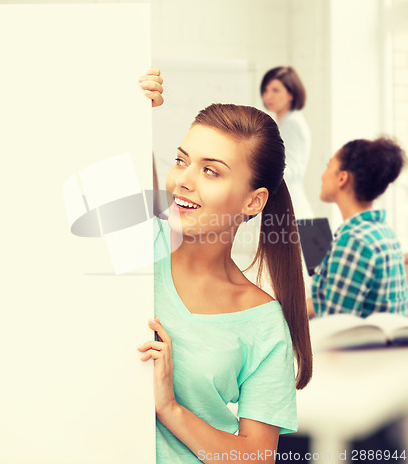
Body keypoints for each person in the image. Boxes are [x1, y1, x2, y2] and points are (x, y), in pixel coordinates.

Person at [139, 69, 312, 463]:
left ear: (253, 202)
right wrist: (129, 108)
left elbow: (257, 457)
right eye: (182, 160)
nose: (183, 180)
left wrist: (171, 409)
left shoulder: (264, 324)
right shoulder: (141, 246)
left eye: (210, 171)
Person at [309, 137, 408, 318]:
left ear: (342, 178)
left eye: (328, 164)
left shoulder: (353, 242)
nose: (322, 175)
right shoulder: (383, 232)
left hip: (353, 345)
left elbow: (335, 327)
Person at [260, 67, 313, 219]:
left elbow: (289, 170)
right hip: (287, 207)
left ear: (291, 93)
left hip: (291, 208)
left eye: (275, 90)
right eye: (266, 90)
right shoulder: (285, 122)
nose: (268, 96)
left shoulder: (292, 123)